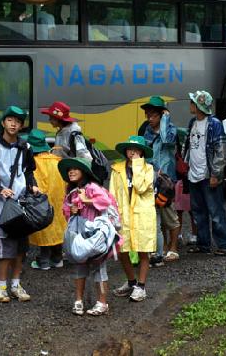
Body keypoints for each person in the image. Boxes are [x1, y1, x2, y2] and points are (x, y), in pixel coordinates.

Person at [0, 106, 39, 303]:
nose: (14, 124)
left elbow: (29, 171)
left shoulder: (26, 148)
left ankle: (16, 284)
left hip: (21, 204)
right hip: (0, 204)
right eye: (10, 120)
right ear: (3, 122)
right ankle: (1, 286)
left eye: (18, 122)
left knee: (21, 247)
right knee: (4, 248)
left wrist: (33, 186)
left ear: (21, 126)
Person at [183, 91, 226, 256]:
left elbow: (221, 151)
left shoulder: (214, 124)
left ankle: (225, 245)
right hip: (194, 175)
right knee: (198, 213)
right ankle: (203, 244)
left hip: (208, 175)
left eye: (192, 102)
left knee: (216, 212)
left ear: (198, 106)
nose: (189, 105)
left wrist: (216, 174)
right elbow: (189, 147)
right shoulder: (192, 122)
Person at [59, 157, 112, 316]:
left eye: (75, 169)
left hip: (95, 234)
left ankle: (102, 302)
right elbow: (65, 209)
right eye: (69, 170)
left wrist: (86, 200)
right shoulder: (72, 191)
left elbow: (105, 201)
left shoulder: (92, 187)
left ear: (85, 172)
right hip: (81, 234)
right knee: (80, 265)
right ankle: (78, 301)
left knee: (99, 267)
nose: (71, 172)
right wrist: (72, 210)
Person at [109, 136, 156, 302]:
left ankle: (141, 286)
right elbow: (112, 194)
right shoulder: (117, 169)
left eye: (136, 150)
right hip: (123, 215)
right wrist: (112, 215)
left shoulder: (148, 169)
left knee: (144, 250)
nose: (133, 152)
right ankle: (131, 282)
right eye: (130, 149)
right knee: (123, 250)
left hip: (142, 215)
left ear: (142, 152)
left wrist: (137, 165)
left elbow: (141, 187)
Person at [141, 96, 181, 266]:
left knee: (169, 214)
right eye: (148, 115)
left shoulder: (170, 129)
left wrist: (166, 119)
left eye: (153, 116)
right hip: (152, 178)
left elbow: (166, 140)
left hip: (166, 180)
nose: (149, 119)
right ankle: (163, 246)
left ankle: (174, 247)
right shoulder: (147, 131)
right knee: (156, 216)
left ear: (162, 114)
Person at [23, 129, 67, 270]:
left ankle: (44, 261)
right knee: (57, 229)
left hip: (41, 202)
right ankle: (58, 258)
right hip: (59, 201)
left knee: (44, 229)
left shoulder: (32, 163)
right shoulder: (57, 161)